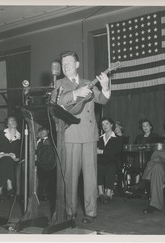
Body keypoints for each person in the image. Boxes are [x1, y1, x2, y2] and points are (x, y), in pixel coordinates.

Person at [53, 50, 110, 224]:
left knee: (91, 177)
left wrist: (106, 86)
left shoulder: (88, 83)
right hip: (70, 135)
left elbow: (102, 99)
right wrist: (75, 94)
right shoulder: (59, 83)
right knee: (70, 177)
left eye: (69, 63)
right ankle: (70, 212)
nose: (66, 66)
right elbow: (57, 101)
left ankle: (90, 212)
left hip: (89, 135)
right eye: (64, 64)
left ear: (77, 65)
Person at [0, 116, 21, 202]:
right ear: (7, 124)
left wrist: (15, 156)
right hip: (1, 158)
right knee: (6, 160)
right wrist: (6, 154)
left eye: (14, 120)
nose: (13, 121)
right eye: (10, 121)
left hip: (14, 161)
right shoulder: (1, 134)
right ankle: (9, 185)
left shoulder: (20, 137)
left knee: (8, 161)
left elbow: (21, 150)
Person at [97, 117, 122, 203]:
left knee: (110, 166)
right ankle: (100, 192)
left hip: (113, 160)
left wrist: (102, 151)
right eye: (103, 124)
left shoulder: (118, 138)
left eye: (106, 124)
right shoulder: (99, 138)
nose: (104, 126)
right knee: (98, 165)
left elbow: (115, 153)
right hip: (101, 160)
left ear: (111, 125)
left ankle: (108, 193)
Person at [36, 126, 56, 204]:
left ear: (48, 131)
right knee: (40, 177)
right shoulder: (37, 141)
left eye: (43, 130)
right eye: (39, 131)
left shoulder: (51, 140)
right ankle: (39, 194)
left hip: (49, 163)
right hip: (38, 163)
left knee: (48, 178)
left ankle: (46, 194)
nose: (41, 132)